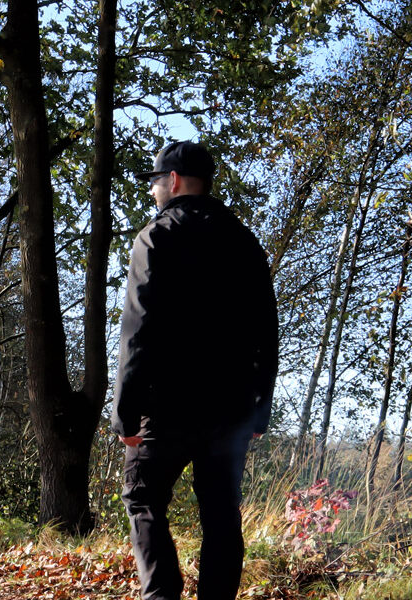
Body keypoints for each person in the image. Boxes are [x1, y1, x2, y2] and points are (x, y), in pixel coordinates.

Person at [114, 140, 279, 600]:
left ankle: (162, 595)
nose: (153, 192)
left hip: (166, 406)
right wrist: (258, 411)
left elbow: (138, 328)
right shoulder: (244, 242)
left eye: (155, 182)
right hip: (229, 411)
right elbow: (267, 333)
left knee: (143, 497)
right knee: (221, 514)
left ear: (173, 180)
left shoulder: (157, 236)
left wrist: (124, 411)